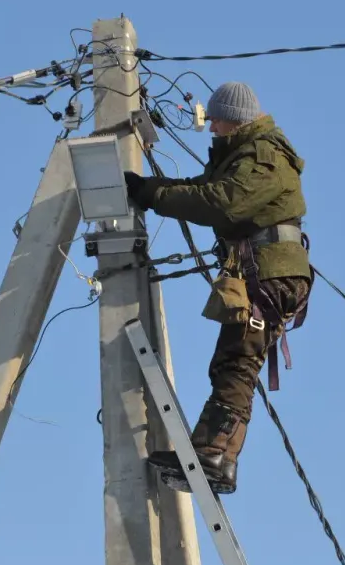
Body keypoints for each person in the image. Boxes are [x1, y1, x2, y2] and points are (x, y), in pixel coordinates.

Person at [123, 81, 312, 495]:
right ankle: (218, 458)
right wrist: (150, 190)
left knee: (236, 364)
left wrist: (151, 196)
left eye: (216, 120)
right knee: (234, 363)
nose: (211, 128)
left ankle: (212, 455)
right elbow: (205, 190)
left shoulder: (262, 156)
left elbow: (221, 202)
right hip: (267, 273)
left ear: (234, 119)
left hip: (269, 275)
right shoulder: (244, 156)